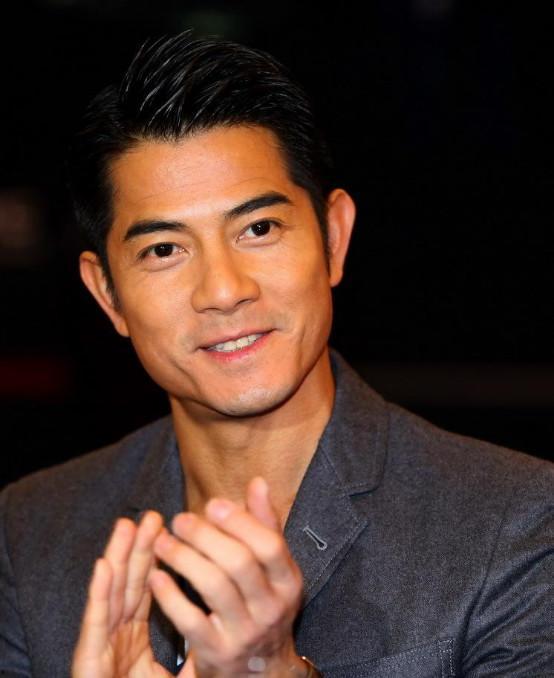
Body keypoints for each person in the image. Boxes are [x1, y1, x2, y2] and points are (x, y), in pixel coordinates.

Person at [0, 30, 552, 678]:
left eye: (258, 228)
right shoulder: (31, 531)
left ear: (333, 239)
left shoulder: (515, 521)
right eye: (164, 250)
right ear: (108, 295)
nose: (223, 289)